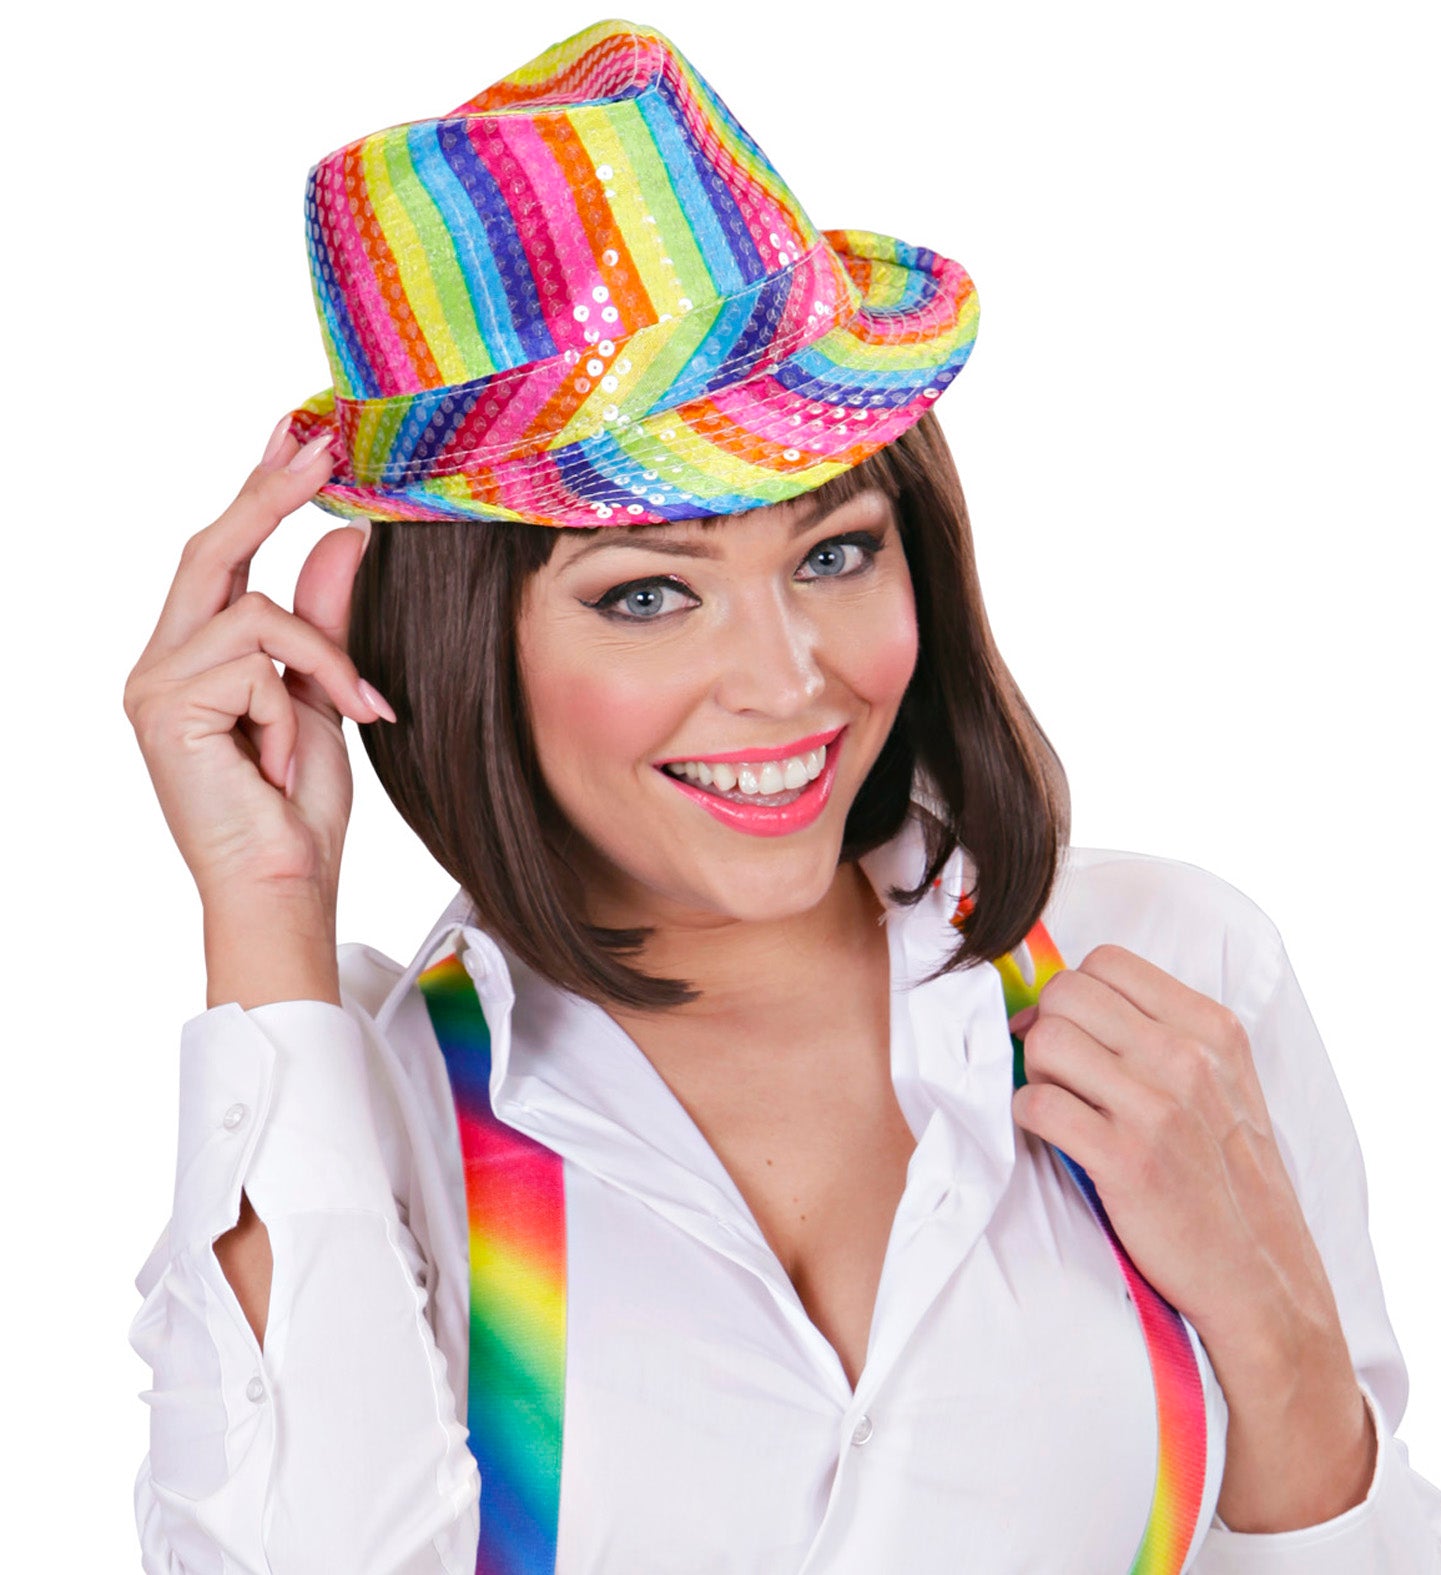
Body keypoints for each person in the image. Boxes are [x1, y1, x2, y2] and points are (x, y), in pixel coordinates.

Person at [122, 17, 1441, 1574]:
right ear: (442, 636)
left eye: (834, 554)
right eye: (645, 594)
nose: (787, 679)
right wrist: (264, 908)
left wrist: (1276, 1335)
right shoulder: (366, 1104)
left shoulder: (1163, 974)